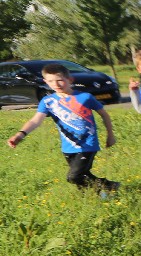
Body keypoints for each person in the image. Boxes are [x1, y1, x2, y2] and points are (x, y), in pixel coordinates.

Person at [7, 62, 119, 191]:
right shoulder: (48, 102)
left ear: (70, 79)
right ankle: (97, 195)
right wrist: (20, 134)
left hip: (88, 144)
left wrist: (110, 135)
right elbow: (35, 120)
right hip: (68, 146)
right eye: (51, 81)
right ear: (45, 82)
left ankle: (110, 186)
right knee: (82, 177)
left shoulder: (85, 97)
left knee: (74, 176)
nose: (56, 84)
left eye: (60, 80)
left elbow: (104, 115)